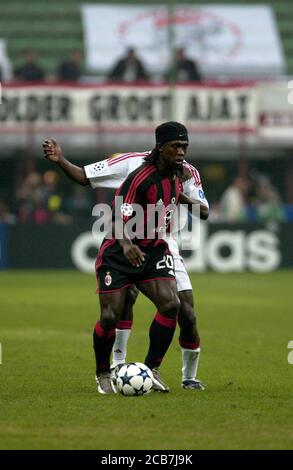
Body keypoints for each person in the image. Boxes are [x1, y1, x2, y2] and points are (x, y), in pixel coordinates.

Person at [42, 122, 209, 393]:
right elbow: (86, 177)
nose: (181, 152)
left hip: (161, 243)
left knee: (180, 308)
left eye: (184, 146)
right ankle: (111, 368)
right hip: (124, 241)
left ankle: (166, 372)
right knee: (115, 310)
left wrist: (184, 199)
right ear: (160, 146)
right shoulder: (133, 167)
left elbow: (203, 210)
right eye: (176, 146)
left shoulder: (186, 173)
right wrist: (60, 160)